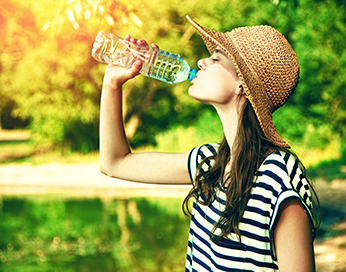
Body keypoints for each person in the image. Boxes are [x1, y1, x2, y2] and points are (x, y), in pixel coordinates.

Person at [99, 15, 319, 272]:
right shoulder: (208, 164)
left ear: (242, 85)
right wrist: (112, 83)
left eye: (215, 58)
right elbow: (114, 163)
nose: (201, 62)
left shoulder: (278, 178)